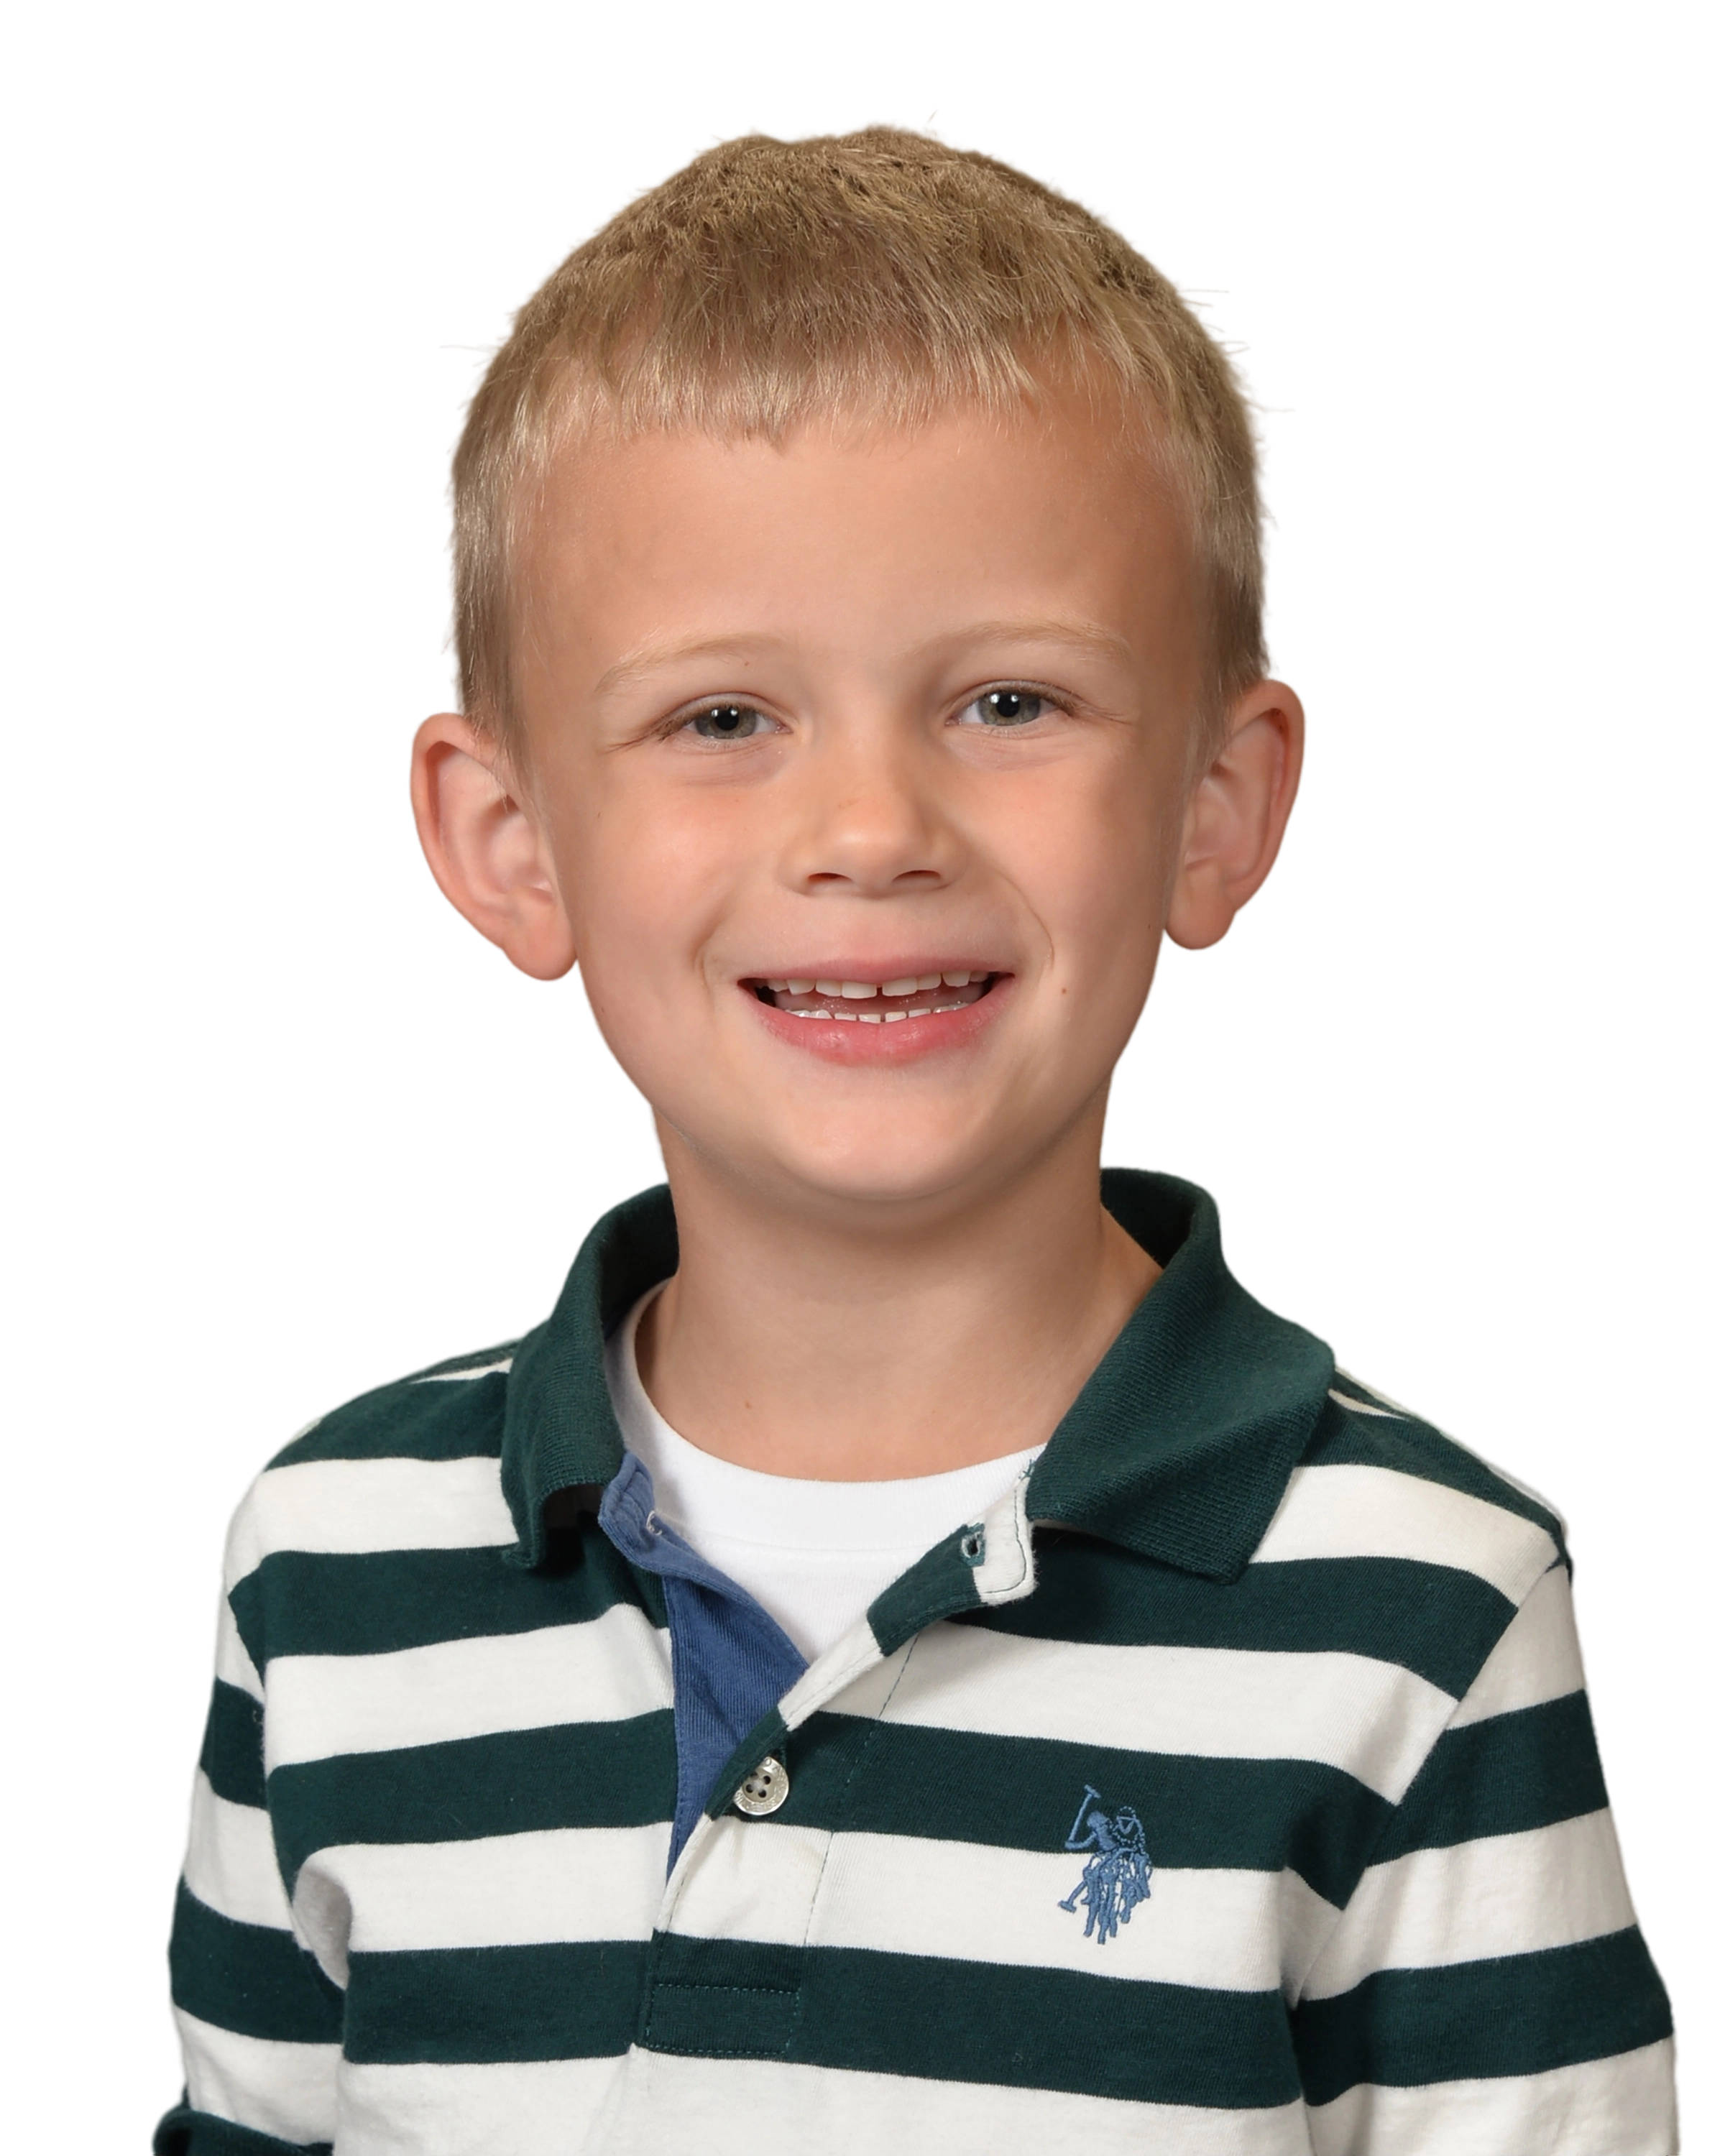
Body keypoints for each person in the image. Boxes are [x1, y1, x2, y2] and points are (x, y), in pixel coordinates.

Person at [151, 116, 1682, 2155]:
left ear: (1215, 810)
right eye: (723, 718)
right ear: (510, 844)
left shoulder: (1426, 1600)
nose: (871, 832)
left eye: (1009, 702)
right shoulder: (330, 1563)